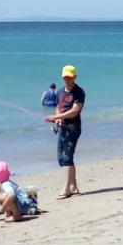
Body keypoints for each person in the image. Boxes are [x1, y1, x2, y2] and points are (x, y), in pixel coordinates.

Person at [44, 64, 85, 200]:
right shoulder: (60, 91)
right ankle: (73, 186)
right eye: (65, 77)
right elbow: (58, 107)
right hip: (63, 127)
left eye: (70, 77)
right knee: (62, 158)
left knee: (67, 157)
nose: (67, 80)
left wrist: (56, 117)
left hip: (73, 128)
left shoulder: (79, 92)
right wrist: (58, 119)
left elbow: (75, 110)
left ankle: (67, 189)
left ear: (75, 77)